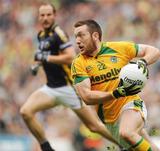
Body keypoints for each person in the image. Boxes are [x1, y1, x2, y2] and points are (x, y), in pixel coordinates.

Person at [20, 4, 120, 151]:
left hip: (69, 88)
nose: (45, 18)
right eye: (42, 15)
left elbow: (70, 57)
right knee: (25, 112)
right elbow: (45, 57)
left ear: (54, 16)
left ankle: (126, 144)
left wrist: (46, 57)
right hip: (51, 88)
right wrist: (38, 65)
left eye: (49, 15)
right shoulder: (41, 35)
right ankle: (46, 147)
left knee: (94, 126)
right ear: (39, 17)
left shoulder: (58, 34)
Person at [71, 19, 160, 151]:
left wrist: (143, 61)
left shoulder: (118, 48)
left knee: (127, 133)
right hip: (110, 121)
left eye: (81, 35)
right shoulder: (78, 63)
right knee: (147, 147)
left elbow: (154, 51)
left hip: (131, 104)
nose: (77, 40)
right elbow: (86, 96)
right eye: (76, 36)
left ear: (95, 35)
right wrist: (115, 93)